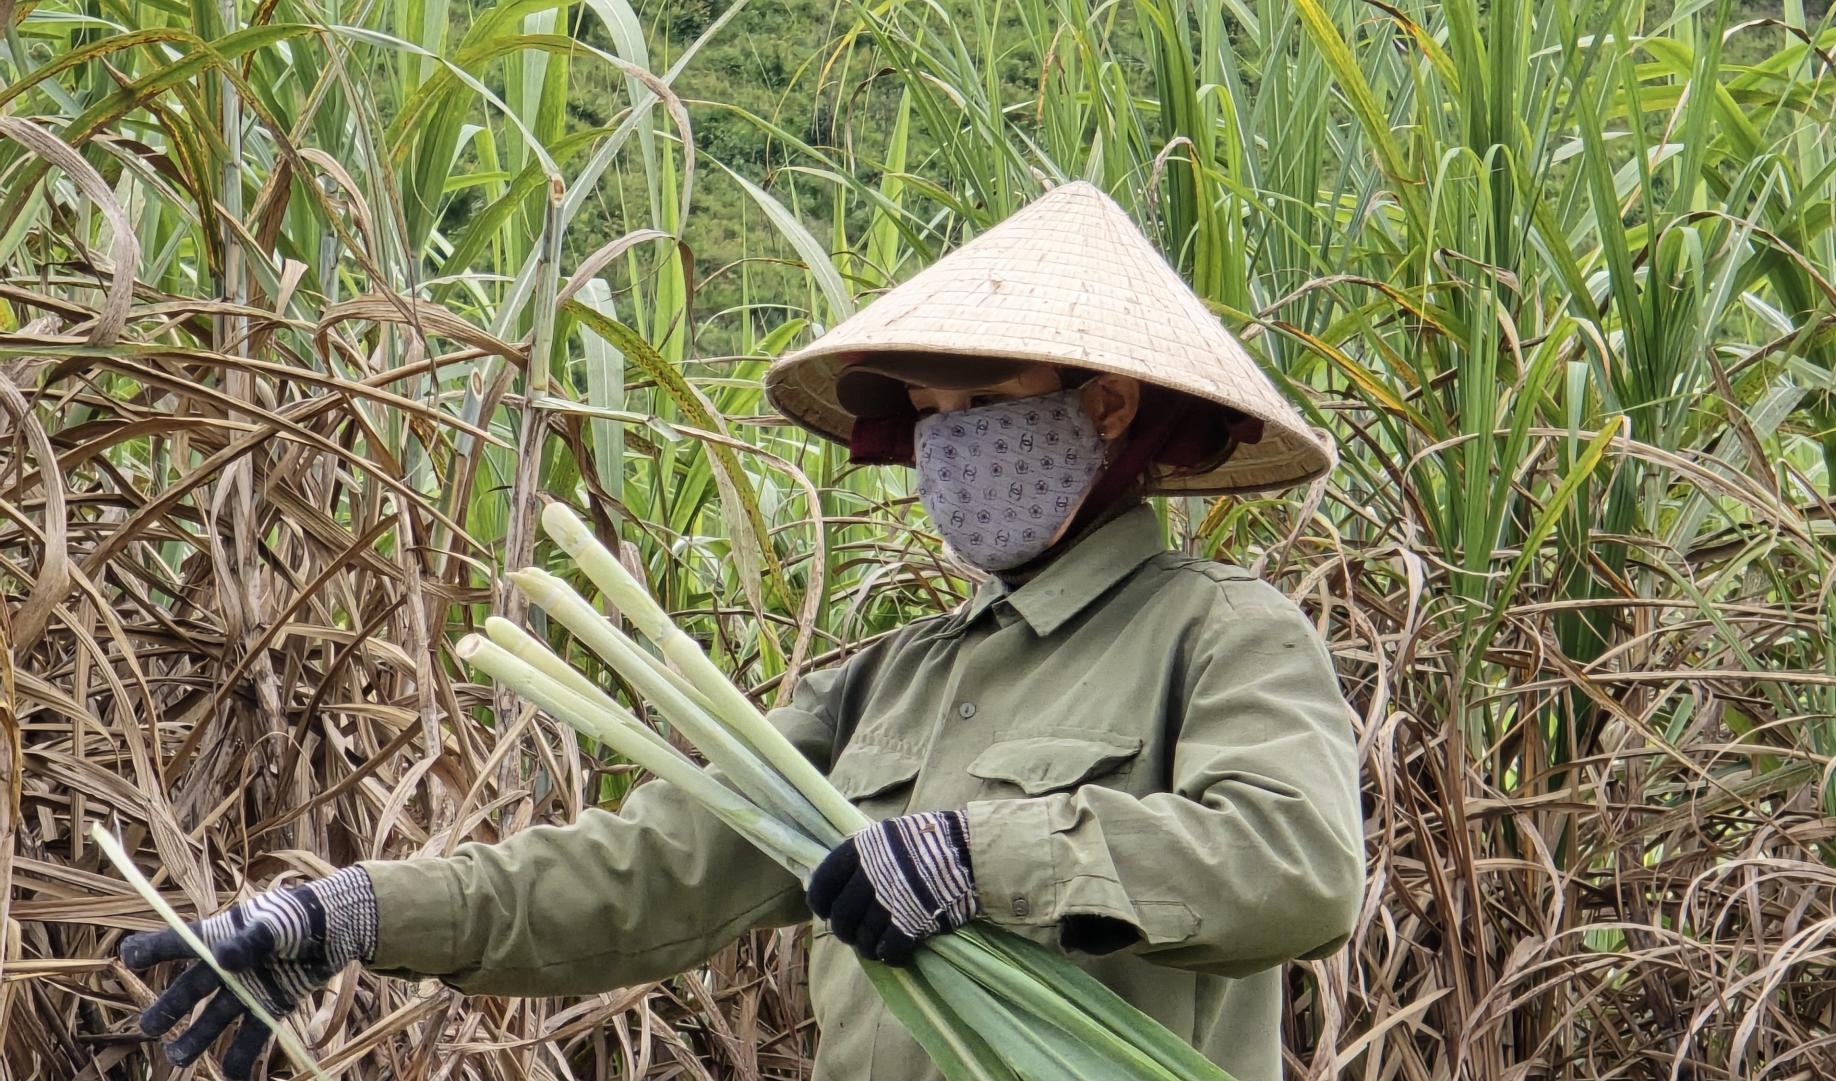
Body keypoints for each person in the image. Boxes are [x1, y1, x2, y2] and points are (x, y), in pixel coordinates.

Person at [118, 181, 1366, 1081]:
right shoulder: (895, 681)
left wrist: (983, 856)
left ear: (1106, 407)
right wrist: (349, 915)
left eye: (981, 404)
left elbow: (1296, 869)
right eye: (926, 413)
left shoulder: (1220, 637)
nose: (947, 445)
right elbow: (651, 864)